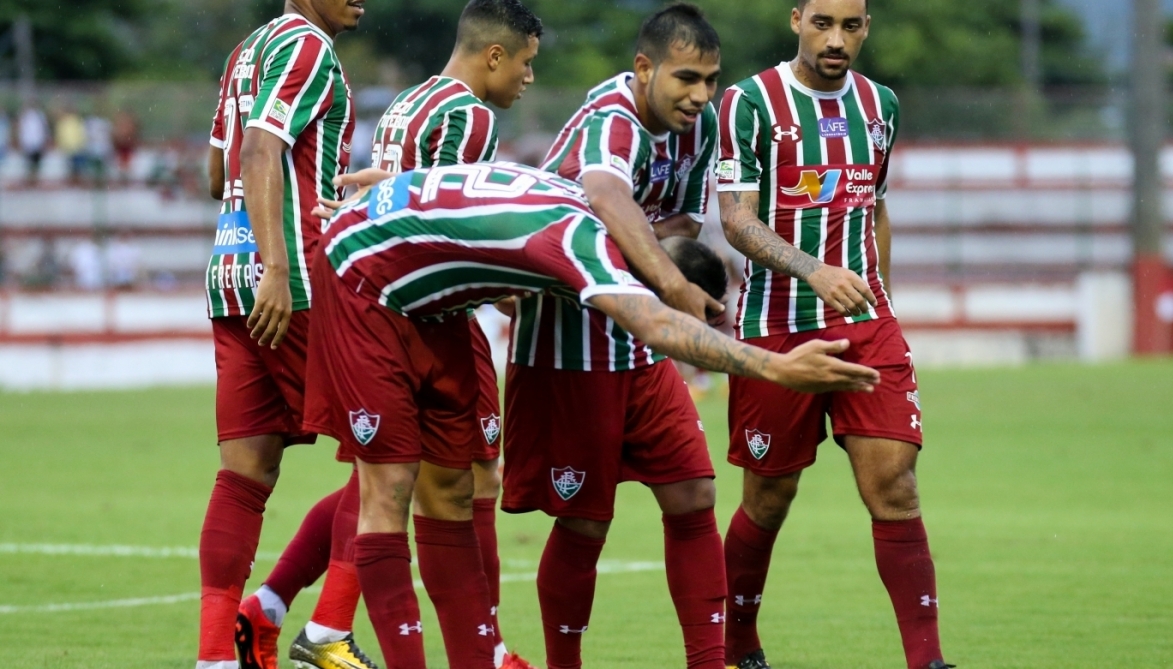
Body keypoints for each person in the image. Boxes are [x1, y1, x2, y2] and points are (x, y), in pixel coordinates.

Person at [307, 161, 880, 669]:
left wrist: (399, 190)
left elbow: (483, 192)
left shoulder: (591, 212)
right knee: (390, 488)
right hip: (362, 281)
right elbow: (655, 327)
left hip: (428, 295)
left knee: (452, 492)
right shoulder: (589, 247)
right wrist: (778, 369)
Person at [249, 2, 542, 668]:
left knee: (382, 479)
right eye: (526, 62)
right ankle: (484, 648)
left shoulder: (412, 98)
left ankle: (285, 608)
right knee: (460, 478)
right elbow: (450, 222)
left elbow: (407, 193)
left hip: (377, 300)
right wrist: (512, 282)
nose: (528, 77)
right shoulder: (470, 115)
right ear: (494, 55)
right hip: (426, 308)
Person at [714, 2, 952, 668]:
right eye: (823, 23)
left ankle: (927, 659)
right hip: (775, 328)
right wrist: (811, 268)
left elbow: (873, 207)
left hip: (865, 325)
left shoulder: (882, 105)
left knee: (895, 484)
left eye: (851, 25)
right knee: (769, 492)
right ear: (796, 20)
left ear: (867, 27)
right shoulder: (749, 102)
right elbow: (735, 219)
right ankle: (738, 646)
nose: (836, 39)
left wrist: (885, 306)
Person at [504, 5, 728, 668]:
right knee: (586, 519)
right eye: (686, 78)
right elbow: (605, 193)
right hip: (568, 343)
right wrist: (675, 285)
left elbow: (681, 218)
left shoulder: (700, 127)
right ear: (643, 68)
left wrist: (667, 267)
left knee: (693, 492)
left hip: (635, 337)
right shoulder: (611, 119)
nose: (700, 95)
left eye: (711, 80)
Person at [197, 1, 364, 669]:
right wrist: (277, 263)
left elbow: (219, 174)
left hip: (228, 272)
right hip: (288, 279)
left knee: (245, 475)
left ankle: (218, 653)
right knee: (389, 458)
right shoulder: (308, 46)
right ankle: (327, 632)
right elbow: (264, 146)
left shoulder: (247, 49)